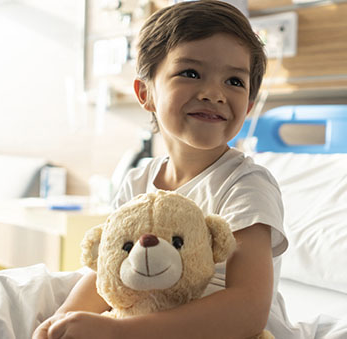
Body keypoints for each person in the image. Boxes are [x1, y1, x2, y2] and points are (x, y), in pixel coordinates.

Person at [33, 1, 288, 338]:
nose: (214, 93)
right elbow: (108, 272)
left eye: (234, 82)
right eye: (191, 73)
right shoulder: (138, 180)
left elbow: (248, 308)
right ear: (146, 92)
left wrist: (119, 333)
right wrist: (63, 320)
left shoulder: (246, 184)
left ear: (249, 106)